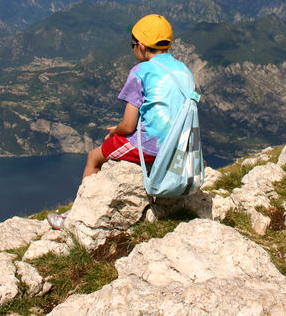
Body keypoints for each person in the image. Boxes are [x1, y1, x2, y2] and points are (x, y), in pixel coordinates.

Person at [47, 13, 196, 229]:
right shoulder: (184, 70)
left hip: (149, 147)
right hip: (180, 145)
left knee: (93, 157)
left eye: (132, 44)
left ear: (142, 46)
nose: (133, 48)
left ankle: (74, 217)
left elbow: (128, 125)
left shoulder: (140, 72)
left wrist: (115, 131)